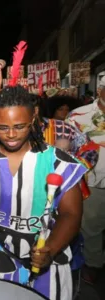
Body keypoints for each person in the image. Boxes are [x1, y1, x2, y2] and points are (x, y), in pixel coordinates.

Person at [0, 83, 86, 300]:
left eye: (20, 126)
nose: (11, 134)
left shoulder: (59, 163)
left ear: (33, 118)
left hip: (44, 260)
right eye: (3, 127)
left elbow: (71, 214)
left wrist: (50, 249)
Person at [66, 75, 105, 284]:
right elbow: (66, 149)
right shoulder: (79, 116)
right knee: (91, 228)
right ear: (99, 91)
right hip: (93, 183)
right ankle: (93, 265)